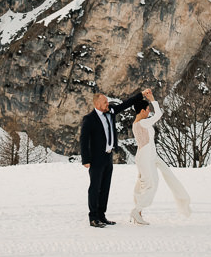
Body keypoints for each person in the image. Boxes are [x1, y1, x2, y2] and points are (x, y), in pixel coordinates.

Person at [80, 89, 148, 228]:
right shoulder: (89, 119)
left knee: (105, 187)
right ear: (97, 104)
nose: (107, 104)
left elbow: (126, 104)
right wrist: (86, 160)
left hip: (108, 156)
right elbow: (83, 139)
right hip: (96, 158)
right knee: (95, 187)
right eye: (105, 102)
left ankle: (101, 215)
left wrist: (141, 95)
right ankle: (93, 217)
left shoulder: (110, 111)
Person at [130, 88, 191, 225]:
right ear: (142, 111)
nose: (149, 111)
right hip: (145, 156)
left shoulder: (140, 122)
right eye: (147, 109)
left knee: (148, 183)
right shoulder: (142, 123)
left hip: (149, 155)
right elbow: (159, 114)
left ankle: (138, 213)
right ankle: (137, 210)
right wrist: (153, 100)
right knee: (150, 185)